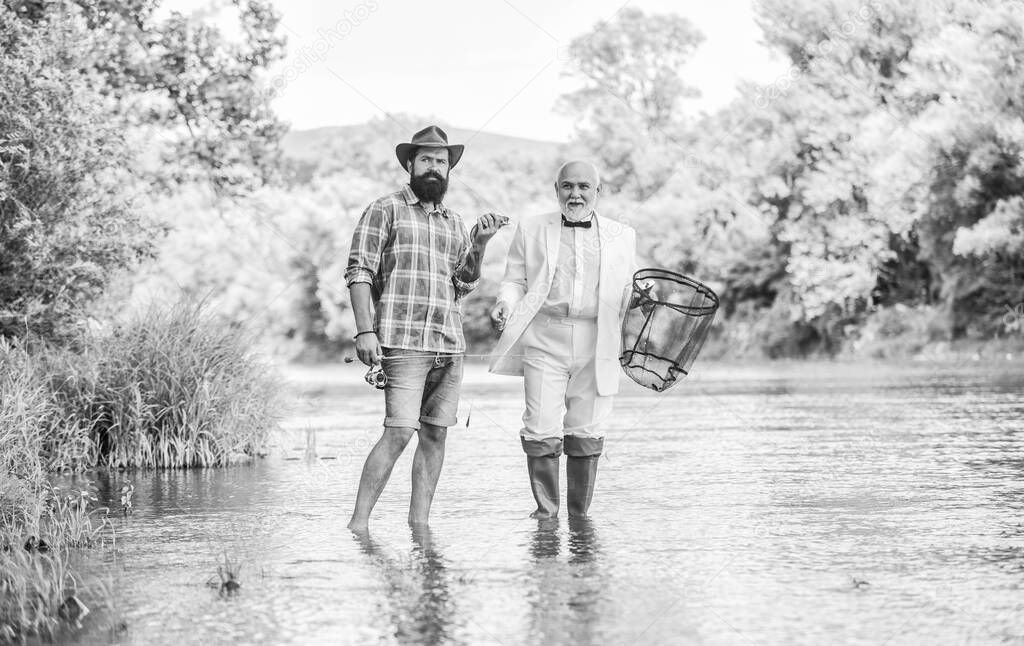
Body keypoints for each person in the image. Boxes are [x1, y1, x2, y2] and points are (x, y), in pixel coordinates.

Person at [345, 125, 506, 531]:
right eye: (426, 160)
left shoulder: (455, 221)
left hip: (448, 343)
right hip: (401, 341)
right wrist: (365, 331)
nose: (434, 167)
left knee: (435, 436)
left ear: (449, 170)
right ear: (411, 164)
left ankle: (420, 527)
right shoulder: (385, 209)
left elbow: (464, 284)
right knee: (399, 433)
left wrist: (480, 243)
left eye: (442, 161)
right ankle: (358, 524)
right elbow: (359, 270)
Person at [488, 160, 639, 519]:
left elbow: (630, 288)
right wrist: (504, 303)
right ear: (556, 190)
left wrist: (640, 297)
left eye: (584, 187)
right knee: (539, 425)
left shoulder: (624, 235)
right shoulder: (532, 227)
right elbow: (514, 280)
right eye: (568, 186)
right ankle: (546, 513)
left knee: (588, 428)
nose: (575, 194)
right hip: (544, 335)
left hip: (597, 337)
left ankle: (579, 515)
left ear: (597, 192)